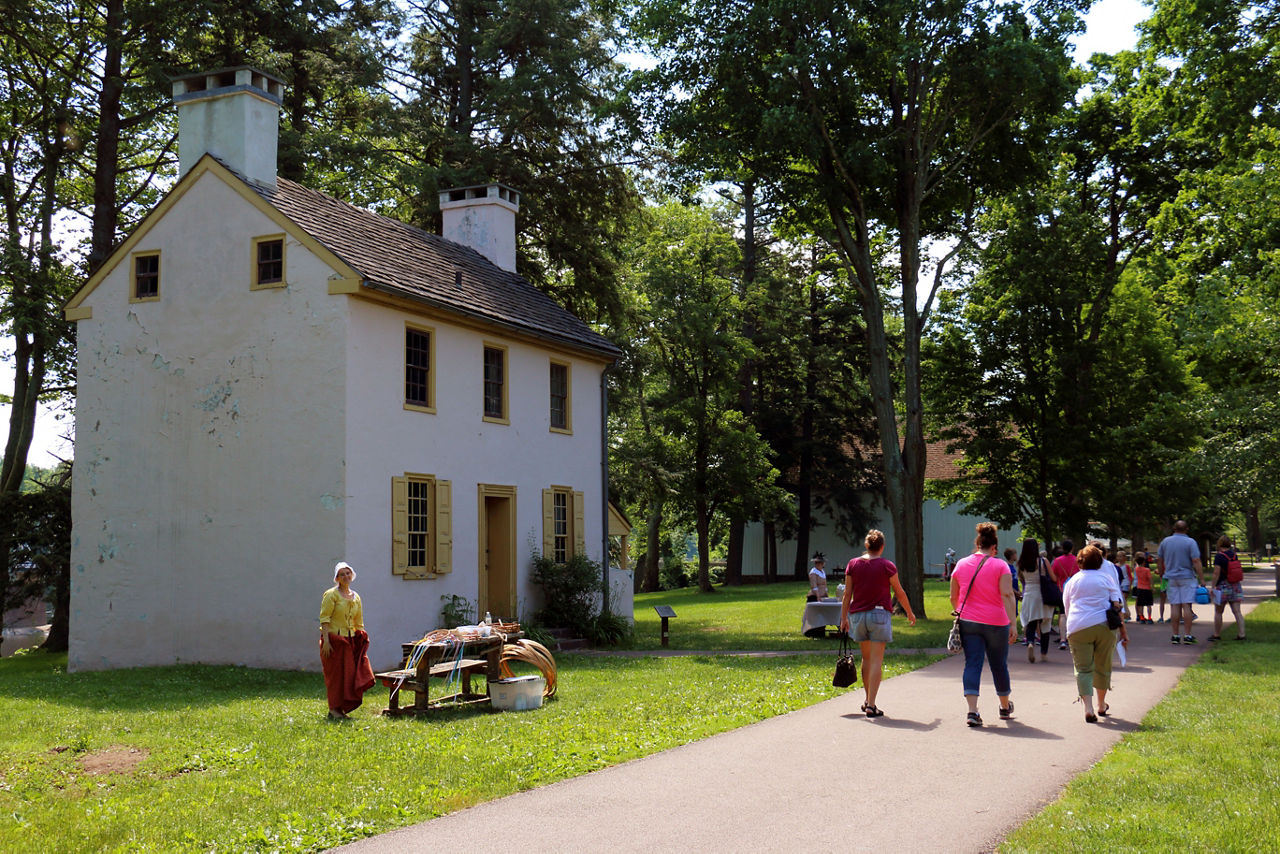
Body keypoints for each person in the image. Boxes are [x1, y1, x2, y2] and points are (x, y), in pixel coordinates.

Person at [839, 530, 917, 718]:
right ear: (882, 546)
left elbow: (847, 595)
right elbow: (899, 591)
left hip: (858, 616)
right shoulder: (887, 566)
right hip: (879, 615)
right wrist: (909, 612)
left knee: (866, 659)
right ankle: (872, 705)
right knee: (876, 661)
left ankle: (867, 700)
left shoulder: (853, 564)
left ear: (867, 545)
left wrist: (843, 618)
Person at [950, 522, 1016, 727]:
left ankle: (972, 711)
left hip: (969, 621)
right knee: (998, 664)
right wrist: (1013, 623)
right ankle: (1004, 707)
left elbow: (953, 596)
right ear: (994, 547)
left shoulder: (961, 564)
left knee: (973, 663)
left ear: (977, 543)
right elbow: (1007, 594)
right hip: (996, 622)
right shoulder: (1000, 565)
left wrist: (962, 609)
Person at [1062, 545, 1128, 722]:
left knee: (1083, 669)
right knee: (1102, 666)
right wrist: (1122, 628)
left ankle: (1088, 708)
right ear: (1100, 561)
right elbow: (1117, 603)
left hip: (1078, 626)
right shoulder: (1106, 578)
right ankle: (1101, 704)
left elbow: (1067, 606)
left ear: (1080, 561)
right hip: (1104, 625)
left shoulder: (1073, 580)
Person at [319, 561, 375, 719]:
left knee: (349, 676)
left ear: (352, 575)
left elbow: (358, 621)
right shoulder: (331, 595)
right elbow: (324, 619)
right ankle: (334, 709)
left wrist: (361, 637)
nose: (345, 576)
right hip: (335, 640)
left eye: (348, 573)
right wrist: (327, 641)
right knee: (335, 676)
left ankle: (342, 708)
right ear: (337, 578)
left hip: (350, 641)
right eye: (342, 574)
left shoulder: (356, 597)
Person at [1156, 520, 1206, 644]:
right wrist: (1202, 578)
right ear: (1187, 529)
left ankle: (1175, 635)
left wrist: (1162, 574)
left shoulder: (1165, 542)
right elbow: (1196, 560)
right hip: (1187, 577)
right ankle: (1188, 635)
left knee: (1174, 605)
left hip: (1171, 577)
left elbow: (1159, 559)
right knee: (1186, 605)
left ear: (1174, 528)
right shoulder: (1190, 542)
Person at [1017, 539, 1053, 662]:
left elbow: (1022, 579)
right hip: (1043, 595)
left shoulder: (1021, 563)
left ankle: (1030, 642)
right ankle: (1044, 653)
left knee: (1031, 623)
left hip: (1029, 594)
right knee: (1045, 625)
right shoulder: (1043, 561)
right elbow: (1052, 577)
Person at [1209, 535, 1246, 641]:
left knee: (1218, 611)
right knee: (1237, 611)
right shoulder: (1234, 555)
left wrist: (1212, 587)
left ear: (1219, 544)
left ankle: (1217, 634)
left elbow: (1216, 573)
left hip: (1223, 586)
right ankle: (1242, 634)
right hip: (1235, 585)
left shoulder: (1219, 556)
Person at [1050, 540, 1078, 650]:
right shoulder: (1077, 560)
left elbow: (1053, 576)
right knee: (1074, 613)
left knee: (1062, 614)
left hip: (1062, 590)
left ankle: (1062, 640)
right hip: (1075, 590)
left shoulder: (1057, 561)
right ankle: (1073, 637)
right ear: (1072, 548)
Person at [1133, 554, 1154, 623]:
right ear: (1143, 562)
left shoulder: (1136, 569)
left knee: (1141, 604)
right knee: (1148, 604)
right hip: (1147, 588)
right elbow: (1150, 578)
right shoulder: (1147, 570)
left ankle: (1141, 617)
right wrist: (1152, 587)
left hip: (1139, 588)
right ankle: (1149, 617)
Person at [1115, 550, 1133, 621]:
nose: (1119, 558)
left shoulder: (1126, 566)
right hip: (1119, 584)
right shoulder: (1116, 565)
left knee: (1124, 600)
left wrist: (1130, 585)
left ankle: (1126, 614)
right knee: (1120, 601)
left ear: (1124, 557)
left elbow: (1129, 576)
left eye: (1121, 556)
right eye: (1118, 556)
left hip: (1126, 583)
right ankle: (1124, 614)